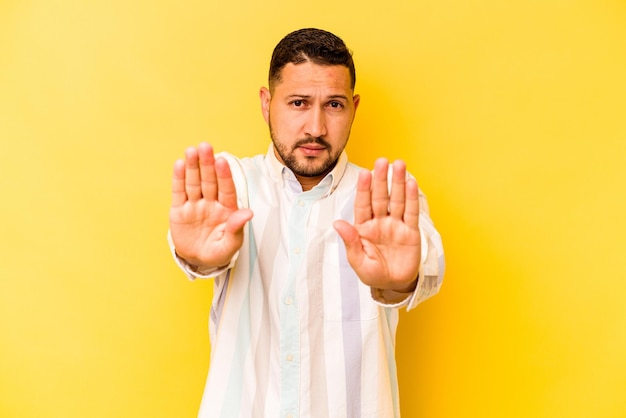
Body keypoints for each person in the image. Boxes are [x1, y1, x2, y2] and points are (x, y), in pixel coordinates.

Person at [168, 28, 444, 418]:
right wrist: (199, 258)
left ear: (354, 107)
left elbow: (427, 267)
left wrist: (399, 281)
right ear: (267, 103)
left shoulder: (387, 196)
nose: (315, 127)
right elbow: (200, 244)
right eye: (298, 103)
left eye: (333, 105)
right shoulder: (231, 185)